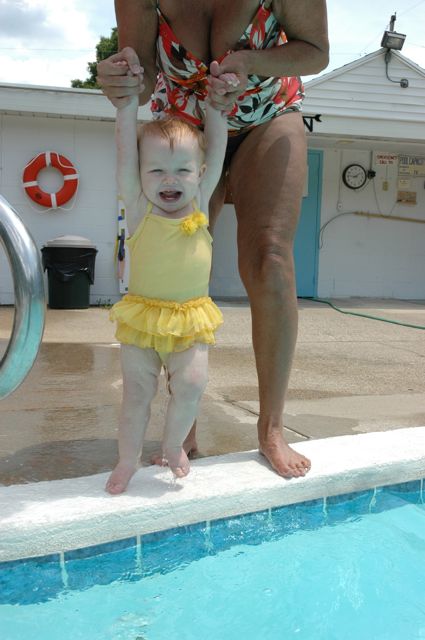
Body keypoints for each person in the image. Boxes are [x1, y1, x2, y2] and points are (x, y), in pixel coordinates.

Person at [98, 0, 329, 480]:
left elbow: (316, 52)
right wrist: (122, 80)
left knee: (269, 257)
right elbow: (139, 78)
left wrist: (253, 61)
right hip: (184, 130)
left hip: (267, 110)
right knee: (180, 265)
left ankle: (271, 428)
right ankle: (183, 427)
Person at [106, 69, 235, 494]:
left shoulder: (199, 203)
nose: (169, 179)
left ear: (199, 175)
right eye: (157, 169)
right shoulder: (142, 209)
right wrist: (127, 109)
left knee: (194, 385)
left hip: (189, 320)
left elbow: (215, 151)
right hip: (144, 320)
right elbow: (127, 156)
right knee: (137, 396)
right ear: (141, 175)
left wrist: (216, 110)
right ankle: (127, 460)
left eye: (182, 170)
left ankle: (174, 444)